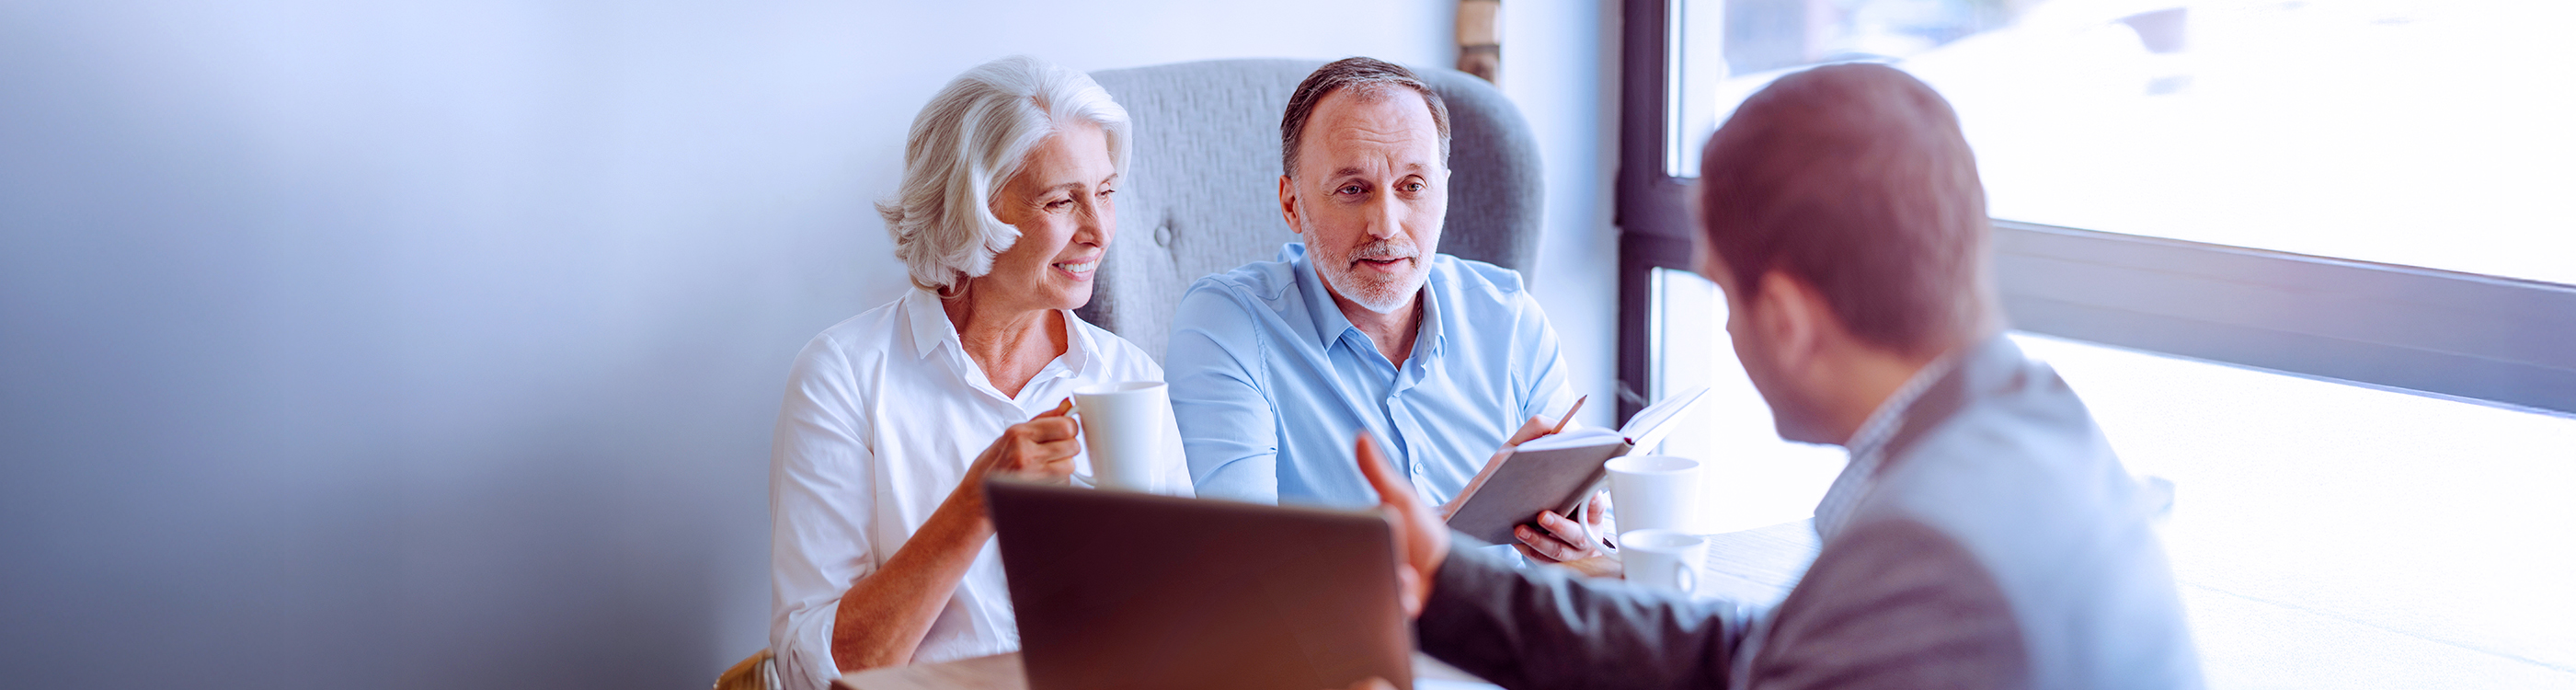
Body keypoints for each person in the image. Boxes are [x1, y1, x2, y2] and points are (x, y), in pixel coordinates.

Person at [1348, 63, 2205, 689]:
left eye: (1724, 292)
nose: (1726, 326)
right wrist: (1454, 588)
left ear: (1790, 320)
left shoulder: (1925, 556)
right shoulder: (2030, 426)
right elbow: (1758, 652)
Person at [765, 55, 1191, 690]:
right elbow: (815, 675)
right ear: (975, 210)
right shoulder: (844, 377)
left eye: (1105, 193)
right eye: (1060, 200)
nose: (1100, 231)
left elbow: (1188, 626)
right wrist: (975, 505)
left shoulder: (1128, 377)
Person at [1162, 57, 1609, 569]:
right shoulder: (1227, 325)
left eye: (1412, 186)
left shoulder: (1509, 317)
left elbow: (1585, 540)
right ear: (1292, 204)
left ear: (1443, 191)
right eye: (1353, 190)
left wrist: (1573, 542)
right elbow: (1242, 565)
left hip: (1512, 640)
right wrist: (1456, 522)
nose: (1386, 225)